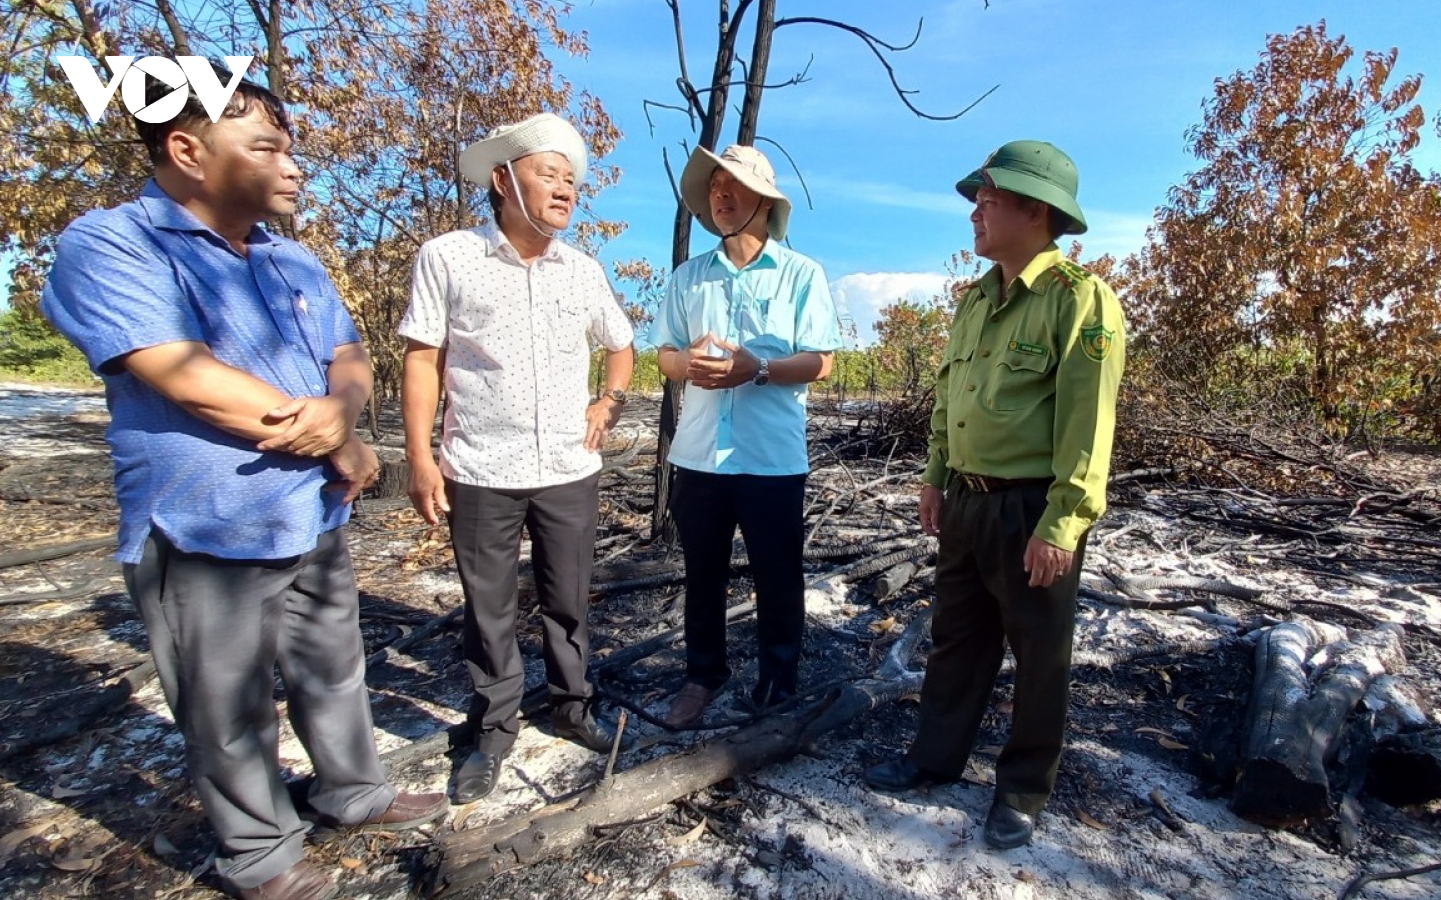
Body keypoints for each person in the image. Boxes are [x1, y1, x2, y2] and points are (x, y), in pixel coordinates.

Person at [41, 74, 446, 900]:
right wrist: (338, 436)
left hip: (311, 512)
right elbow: (177, 373)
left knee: (333, 667)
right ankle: (260, 854)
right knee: (226, 703)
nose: (291, 166)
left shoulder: (289, 254)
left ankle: (353, 792)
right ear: (188, 152)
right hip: (204, 522)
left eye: (288, 147)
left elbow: (348, 353)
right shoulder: (113, 243)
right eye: (265, 146)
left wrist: (342, 411)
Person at [861, 141, 1126, 850]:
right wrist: (935, 475)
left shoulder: (1080, 301)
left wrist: (1063, 524)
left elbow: (1087, 425)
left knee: (1041, 655)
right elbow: (950, 397)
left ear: (1035, 210)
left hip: (1032, 507)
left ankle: (1023, 789)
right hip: (968, 504)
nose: (976, 209)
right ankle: (934, 759)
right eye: (977, 196)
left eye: (991, 197)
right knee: (957, 641)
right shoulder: (976, 301)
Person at [399, 113, 637, 804]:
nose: (565, 189)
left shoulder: (583, 270)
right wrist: (420, 458)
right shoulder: (449, 257)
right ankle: (495, 727)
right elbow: (422, 358)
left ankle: (572, 706)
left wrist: (609, 402)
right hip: (479, 469)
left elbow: (620, 343)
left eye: (572, 180)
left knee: (568, 600)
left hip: (568, 467)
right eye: (549, 174)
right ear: (504, 180)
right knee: (490, 607)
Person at [650, 145, 842, 729]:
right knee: (701, 573)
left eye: (733, 185)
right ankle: (703, 675)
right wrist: (690, 367)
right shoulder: (690, 277)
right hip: (700, 453)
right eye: (714, 188)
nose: (721, 195)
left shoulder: (802, 275)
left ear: (766, 200)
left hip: (771, 458)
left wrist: (753, 370)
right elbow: (663, 353)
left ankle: (777, 684)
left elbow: (822, 362)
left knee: (777, 575)